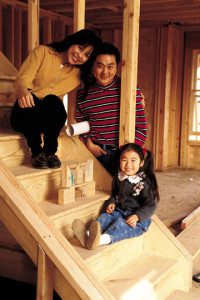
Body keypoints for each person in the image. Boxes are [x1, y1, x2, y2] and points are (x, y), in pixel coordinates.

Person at [10, 29, 102, 169]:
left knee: (54, 101)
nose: (80, 55)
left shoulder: (78, 74)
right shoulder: (42, 52)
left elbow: (102, 82)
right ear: (72, 41)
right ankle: (36, 152)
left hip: (45, 122)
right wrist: (23, 90)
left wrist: (137, 93)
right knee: (33, 99)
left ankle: (50, 153)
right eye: (80, 48)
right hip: (23, 115)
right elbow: (24, 78)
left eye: (86, 55)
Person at [75, 42, 147, 175]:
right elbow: (81, 122)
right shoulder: (82, 93)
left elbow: (142, 126)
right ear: (92, 65)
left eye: (110, 66)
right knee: (100, 194)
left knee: (128, 194)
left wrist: (130, 152)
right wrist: (88, 142)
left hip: (125, 157)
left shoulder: (128, 88)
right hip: (97, 154)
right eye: (100, 66)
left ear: (117, 67)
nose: (105, 72)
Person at [72, 142, 160, 250]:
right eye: (124, 160)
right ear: (119, 161)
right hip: (120, 211)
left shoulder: (145, 183)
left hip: (136, 219)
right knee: (105, 217)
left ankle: (100, 240)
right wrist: (112, 202)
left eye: (133, 160)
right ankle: (88, 234)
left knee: (120, 226)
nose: (128, 164)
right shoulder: (119, 178)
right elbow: (114, 193)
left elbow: (151, 205)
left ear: (141, 163)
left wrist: (137, 216)